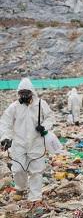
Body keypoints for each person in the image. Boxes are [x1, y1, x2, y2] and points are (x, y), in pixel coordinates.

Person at [0, 78, 54, 207]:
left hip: (36, 142)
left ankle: (35, 197)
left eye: (26, 92)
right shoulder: (14, 107)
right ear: (18, 93)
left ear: (31, 92)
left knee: (36, 170)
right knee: (18, 169)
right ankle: (20, 187)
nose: (23, 95)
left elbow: (50, 117)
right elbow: (5, 123)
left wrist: (44, 127)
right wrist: (5, 138)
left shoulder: (41, 104)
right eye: (21, 92)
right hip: (18, 143)